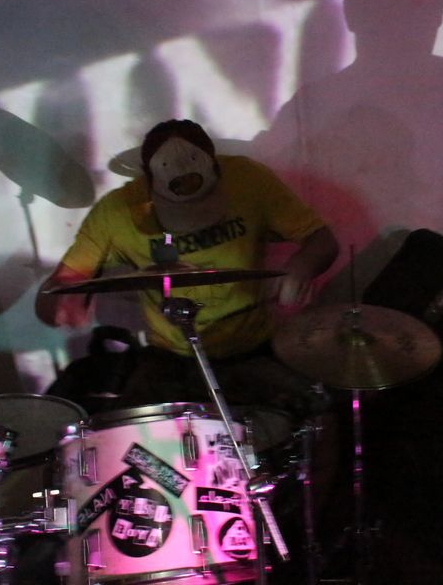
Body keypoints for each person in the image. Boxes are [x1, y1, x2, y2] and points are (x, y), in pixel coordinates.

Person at [35, 118, 339, 419]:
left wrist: (301, 266)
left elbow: (322, 240)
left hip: (252, 349)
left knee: (313, 414)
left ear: (216, 167)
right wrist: (61, 302)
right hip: (171, 358)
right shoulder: (117, 211)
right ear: (150, 183)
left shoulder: (248, 179)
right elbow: (61, 286)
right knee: (132, 437)